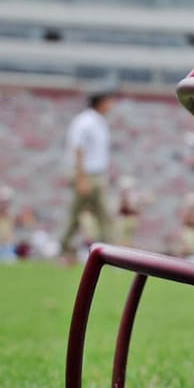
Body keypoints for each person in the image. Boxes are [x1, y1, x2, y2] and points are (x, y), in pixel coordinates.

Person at [59, 90, 117, 262]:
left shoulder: (99, 121)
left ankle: (110, 252)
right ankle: (64, 247)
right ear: (100, 102)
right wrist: (81, 179)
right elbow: (78, 149)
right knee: (77, 214)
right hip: (86, 174)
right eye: (109, 101)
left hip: (97, 174)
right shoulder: (85, 121)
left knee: (104, 213)